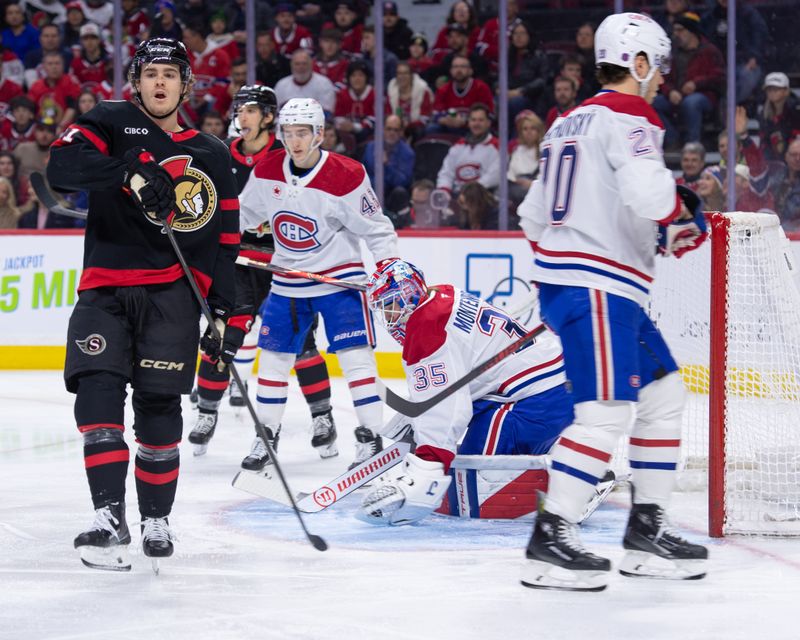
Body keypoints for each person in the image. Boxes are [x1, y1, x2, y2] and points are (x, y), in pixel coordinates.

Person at [517, 12, 708, 591]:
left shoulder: (563, 125)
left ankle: (646, 526)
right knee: (603, 414)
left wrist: (590, 246)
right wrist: (679, 215)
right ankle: (552, 536)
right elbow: (651, 195)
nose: (659, 83)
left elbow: (531, 219)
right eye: (656, 69)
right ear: (640, 63)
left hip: (591, 283)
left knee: (662, 392)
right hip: (598, 286)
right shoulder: (631, 113)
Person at [46, 37, 240, 571]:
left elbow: (227, 240)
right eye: (151, 73)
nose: (160, 82)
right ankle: (109, 516)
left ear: (186, 84)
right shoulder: (110, 121)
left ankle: (157, 516)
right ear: (137, 80)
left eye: (170, 74)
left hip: (173, 298)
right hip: (105, 289)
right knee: (97, 395)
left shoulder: (213, 154)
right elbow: (62, 165)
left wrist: (223, 313)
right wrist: (126, 172)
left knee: (158, 408)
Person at [238, 97, 398, 470]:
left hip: (340, 280)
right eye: (288, 133)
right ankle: (265, 437)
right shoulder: (267, 171)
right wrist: (206, 235)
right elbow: (242, 214)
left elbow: (377, 229)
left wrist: (389, 268)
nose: (294, 141)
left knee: (356, 360)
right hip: (288, 280)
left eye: (302, 133)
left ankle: (371, 438)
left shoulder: (347, 173)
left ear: (320, 134)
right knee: (274, 361)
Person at [359, 259, 572, 526]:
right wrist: (417, 412)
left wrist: (428, 466)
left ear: (409, 294)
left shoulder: (426, 328)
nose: (389, 318)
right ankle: (568, 451)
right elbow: (462, 377)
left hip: (535, 400)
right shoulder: (443, 293)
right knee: (463, 464)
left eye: (391, 305)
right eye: (383, 309)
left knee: (468, 493)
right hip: (557, 386)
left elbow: (446, 408)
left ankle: (573, 480)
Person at [188, 85, 335, 465]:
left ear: (269, 117)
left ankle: (323, 418)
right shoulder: (220, 155)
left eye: (250, 110)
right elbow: (203, 201)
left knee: (300, 343)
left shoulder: (287, 157)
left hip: (283, 264)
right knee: (223, 337)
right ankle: (206, 411)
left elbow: (314, 202)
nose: (242, 117)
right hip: (236, 264)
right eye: (238, 110)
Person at [652, 12, 724, 149]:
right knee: (652, 103)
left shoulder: (710, 51)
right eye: (674, 30)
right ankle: (672, 140)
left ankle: (692, 146)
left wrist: (696, 84)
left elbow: (719, 77)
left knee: (692, 102)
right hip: (676, 96)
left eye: (680, 30)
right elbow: (661, 77)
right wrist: (670, 92)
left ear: (691, 31)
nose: (676, 34)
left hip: (704, 97)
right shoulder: (670, 52)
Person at [363, 114, 414, 221]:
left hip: (392, 196)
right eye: (389, 129)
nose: (392, 133)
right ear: (383, 129)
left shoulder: (407, 153)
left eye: (396, 130)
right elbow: (365, 173)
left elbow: (402, 181)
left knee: (400, 191)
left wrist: (387, 165)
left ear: (401, 132)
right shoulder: (371, 147)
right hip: (372, 193)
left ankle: (397, 221)